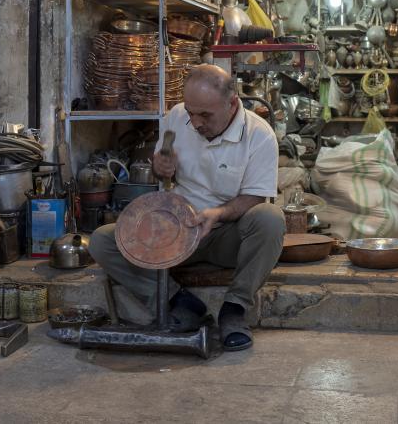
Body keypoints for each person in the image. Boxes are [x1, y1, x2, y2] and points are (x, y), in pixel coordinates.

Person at [90, 64, 284, 351]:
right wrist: (160, 169)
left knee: (270, 219)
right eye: (191, 113)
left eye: (205, 115)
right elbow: (162, 175)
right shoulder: (177, 117)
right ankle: (179, 301)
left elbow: (255, 198)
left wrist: (217, 214)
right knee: (103, 240)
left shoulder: (259, 135)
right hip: (175, 233)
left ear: (232, 104)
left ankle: (234, 309)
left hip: (223, 234)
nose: (195, 122)